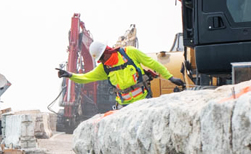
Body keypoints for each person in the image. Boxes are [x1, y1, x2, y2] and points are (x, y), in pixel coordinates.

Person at [57, 40, 185, 109]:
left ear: (107, 51)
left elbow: (153, 64)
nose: (102, 61)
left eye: (102, 57)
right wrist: (70, 75)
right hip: (123, 106)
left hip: (143, 103)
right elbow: (86, 77)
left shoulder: (130, 53)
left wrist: (170, 77)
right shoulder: (104, 68)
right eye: (100, 60)